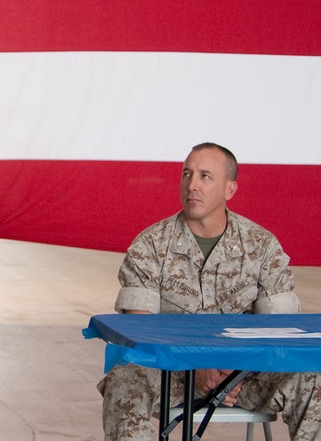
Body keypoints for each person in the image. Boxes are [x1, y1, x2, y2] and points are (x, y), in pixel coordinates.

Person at [98, 142, 321, 440]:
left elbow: (279, 329)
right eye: (187, 174)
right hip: (173, 374)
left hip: (245, 376)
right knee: (125, 376)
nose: (192, 185)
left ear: (229, 189)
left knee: (313, 375)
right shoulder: (150, 245)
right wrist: (197, 364)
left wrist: (232, 370)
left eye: (205, 176)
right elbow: (140, 331)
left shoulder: (262, 246)